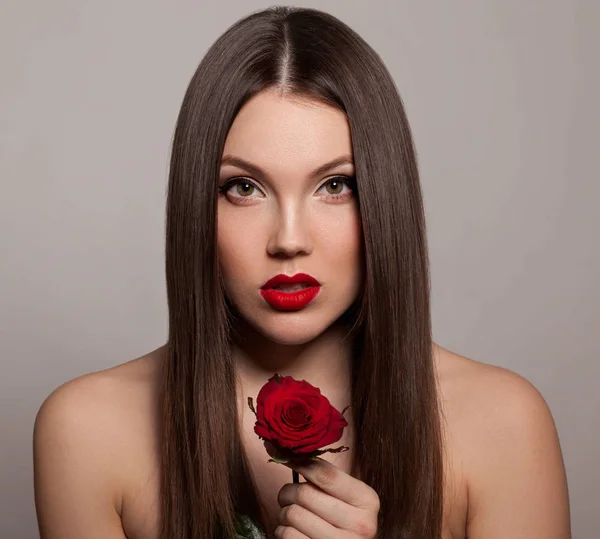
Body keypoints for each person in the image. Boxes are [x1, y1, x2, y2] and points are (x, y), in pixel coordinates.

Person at [32, 5, 571, 539]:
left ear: (384, 200)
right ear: (196, 207)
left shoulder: (504, 425)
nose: (289, 240)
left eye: (335, 186)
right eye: (244, 188)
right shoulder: (87, 430)